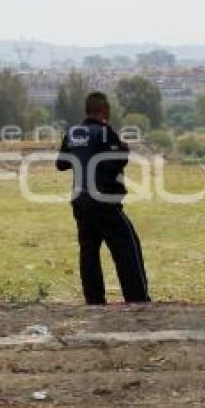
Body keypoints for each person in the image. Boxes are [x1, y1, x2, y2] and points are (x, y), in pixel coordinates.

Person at [56, 92, 151, 305]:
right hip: (104, 200)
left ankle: (94, 300)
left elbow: (61, 164)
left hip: (80, 200)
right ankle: (137, 299)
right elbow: (115, 162)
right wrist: (124, 150)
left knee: (89, 251)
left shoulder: (72, 132)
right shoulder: (105, 132)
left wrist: (82, 156)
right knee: (127, 247)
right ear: (104, 110)